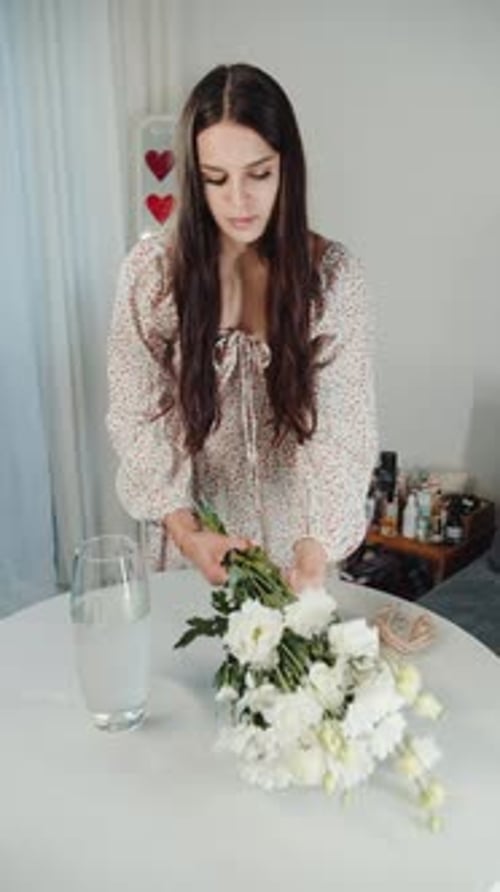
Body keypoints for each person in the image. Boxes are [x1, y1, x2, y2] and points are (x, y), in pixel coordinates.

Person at [107, 63, 377, 593]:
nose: (238, 200)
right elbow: (136, 417)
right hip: (190, 548)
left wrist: (314, 549)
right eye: (216, 178)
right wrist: (187, 534)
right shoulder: (152, 277)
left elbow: (343, 433)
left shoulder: (332, 279)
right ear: (194, 178)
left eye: (259, 174)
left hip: (298, 552)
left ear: (287, 168)